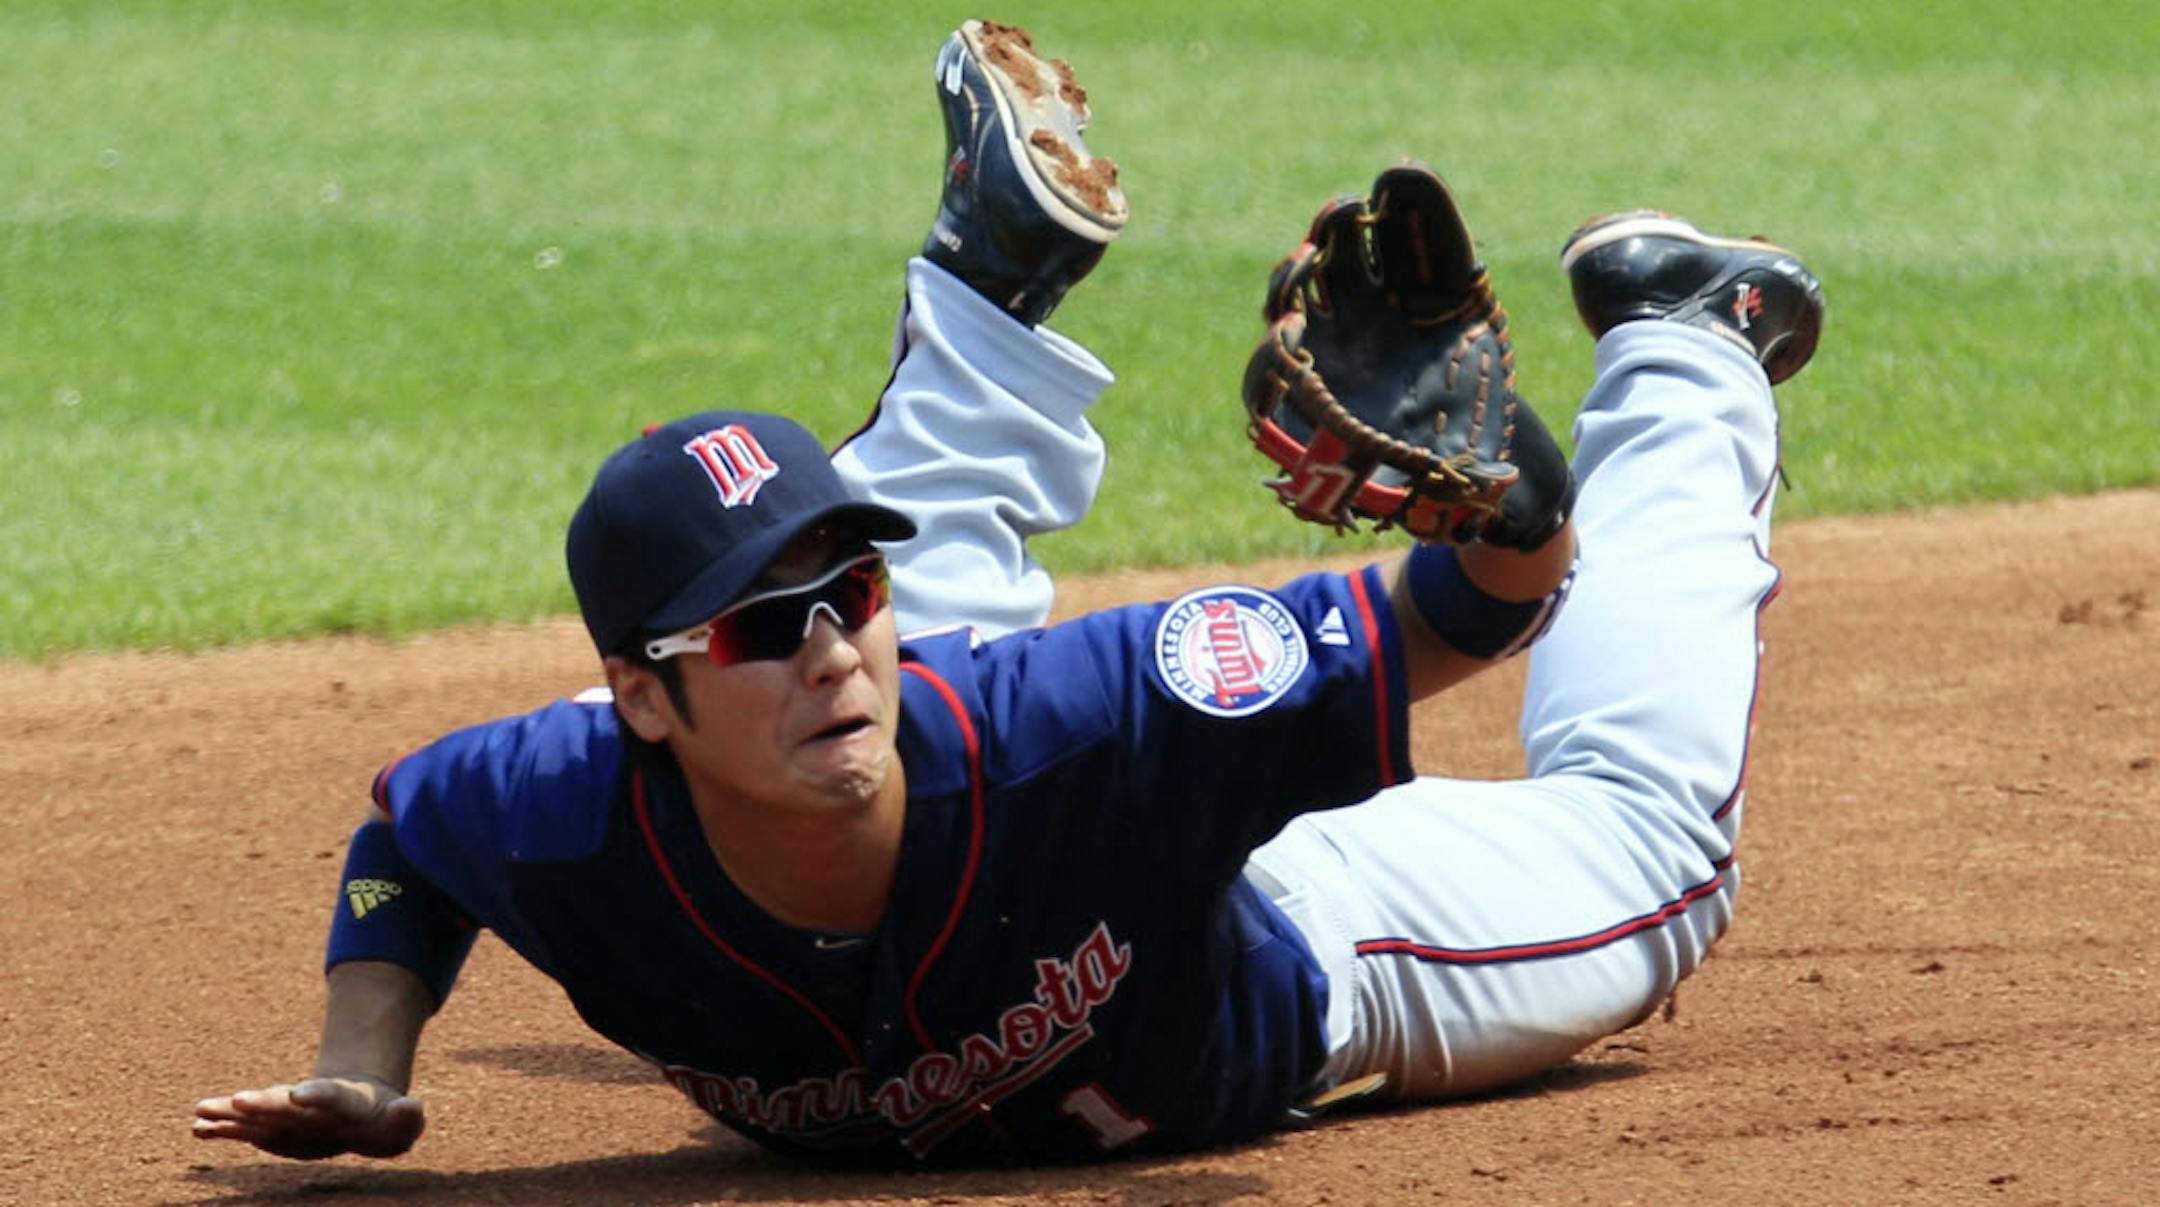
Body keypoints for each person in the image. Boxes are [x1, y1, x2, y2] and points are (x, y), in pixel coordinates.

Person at [192, 18, 1823, 1165]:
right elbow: (412, 839)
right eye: (765, 623)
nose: (833, 642)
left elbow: (1477, 607)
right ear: (637, 697)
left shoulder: (1103, 707)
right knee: (907, 703)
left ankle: (1689, 335)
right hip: (1032, 816)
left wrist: (1515, 496)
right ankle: (985, 290)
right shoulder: (559, 799)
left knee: (1653, 850)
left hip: (1323, 939)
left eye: (853, 590)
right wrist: (362, 1072)